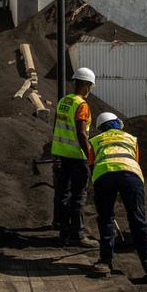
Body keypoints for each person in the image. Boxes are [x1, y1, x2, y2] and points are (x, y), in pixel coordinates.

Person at [89, 112, 147, 282]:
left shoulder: (95, 141)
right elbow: (134, 160)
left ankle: (105, 262)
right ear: (117, 123)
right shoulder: (131, 138)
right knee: (138, 220)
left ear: (100, 128)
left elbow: (92, 166)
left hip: (104, 175)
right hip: (131, 175)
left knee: (105, 218)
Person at [51, 67, 99, 247]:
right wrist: (90, 156)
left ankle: (64, 231)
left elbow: (56, 126)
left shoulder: (64, 101)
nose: (90, 89)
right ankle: (77, 235)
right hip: (77, 157)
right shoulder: (82, 105)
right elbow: (81, 133)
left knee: (63, 193)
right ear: (86, 85)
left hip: (62, 154)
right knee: (78, 195)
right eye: (90, 86)